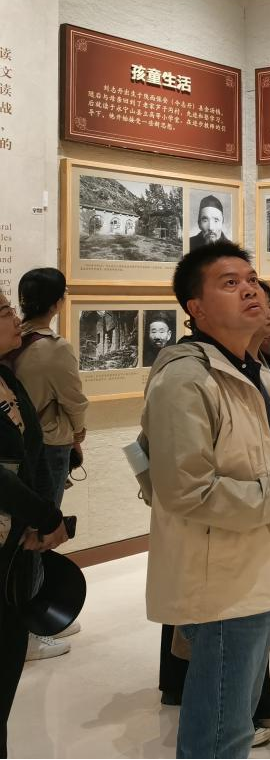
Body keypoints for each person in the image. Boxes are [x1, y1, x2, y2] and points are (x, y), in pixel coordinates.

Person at [142, 241, 270, 759]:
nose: (249, 289)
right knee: (222, 730)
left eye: (251, 279)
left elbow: (269, 447)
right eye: (229, 282)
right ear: (195, 308)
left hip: (254, 560)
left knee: (233, 717)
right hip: (219, 575)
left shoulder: (251, 370)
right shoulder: (186, 377)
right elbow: (189, 490)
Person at [0, 288, 73, 758]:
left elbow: (31, 453)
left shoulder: (7, 375)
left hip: (14, 543)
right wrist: (45, 513)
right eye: (5, 310)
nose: (15, 317)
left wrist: (43, 513)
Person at [11, 268, 88, 660]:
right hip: (50, 447)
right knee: (41, 532)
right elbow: (74, 400)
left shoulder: (13, 341)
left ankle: (34, 616)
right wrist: (79, 434)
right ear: (59, 302)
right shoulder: (55, 348)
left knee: (23, 531)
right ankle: (28, 627)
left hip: (18, 450)